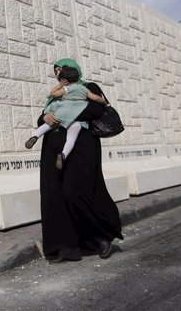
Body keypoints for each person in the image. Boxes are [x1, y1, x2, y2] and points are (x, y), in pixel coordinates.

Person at [38, 58, 123, 263]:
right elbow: (43, 115)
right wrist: (44, 118)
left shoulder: (89, 87)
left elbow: (97, 109)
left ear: (73, 70)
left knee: (79, 192)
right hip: (53, 148)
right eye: (56, 71)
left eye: (62, 69)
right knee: (56, 195)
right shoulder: (55, 92)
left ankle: (101, 237)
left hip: (81, 149)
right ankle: (65, 247)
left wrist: (64, 113)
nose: (59, 73)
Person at [25, 66, 107, 170]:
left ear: (65, 79)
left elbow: (52, 94)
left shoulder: (66, 88)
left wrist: (60, 85)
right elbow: (95, 98)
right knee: (71, 139)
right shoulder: (83, 89)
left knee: (47, 125)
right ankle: (63, 154)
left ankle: (35, 136)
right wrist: (104, 102)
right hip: (77, 119)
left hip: (62, 114)